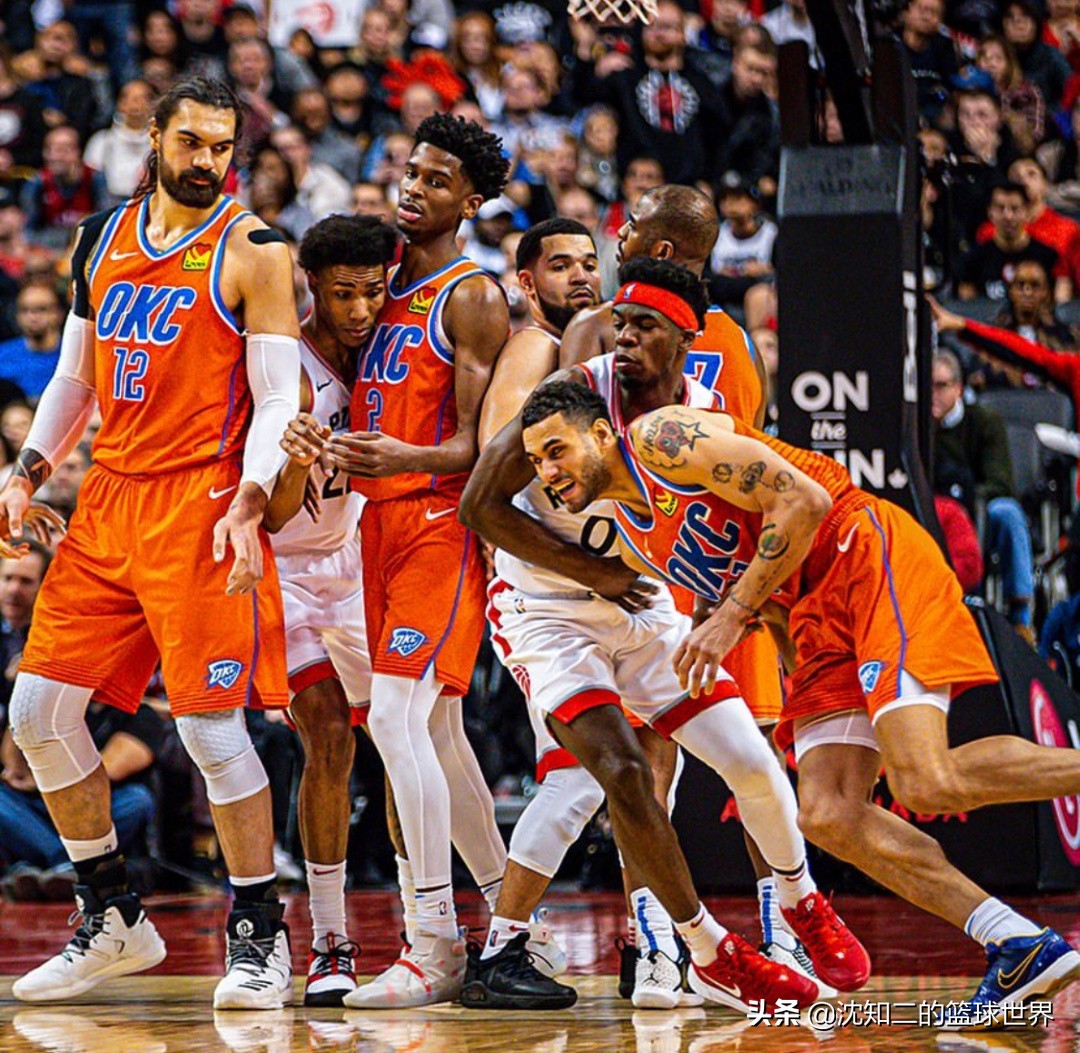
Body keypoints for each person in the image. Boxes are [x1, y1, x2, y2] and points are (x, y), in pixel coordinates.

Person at [519, 267, 1080, 1025]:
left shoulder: (662, 435)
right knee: (826, 811)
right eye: (536, 464)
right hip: (807, 618)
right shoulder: (630, 528)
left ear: (596, 432)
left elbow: (805, 500)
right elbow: (757, 586)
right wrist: (787, 661)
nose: (548, 476)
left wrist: (727, 618)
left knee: (928, 778)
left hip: (860, 550)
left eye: (555, 452)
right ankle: (1018, 945)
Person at [462, 241, 861, 1013]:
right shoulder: (571, 396)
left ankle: (801, 899)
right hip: (545, 611)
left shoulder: (697, 420)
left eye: (645, 327)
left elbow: (743, 522)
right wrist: (596, 573)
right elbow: (480, 506)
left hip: (647, 608)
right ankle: (708, 950)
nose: (625, 339)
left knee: (749, 760)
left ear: (686, 340)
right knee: (618, 772)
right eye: (621, 324)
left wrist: (723, 607)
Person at [0, 77, 301, 1010]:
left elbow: (280, 396)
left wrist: (250, 501)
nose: (208, 160)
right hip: (109, 500)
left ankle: (257, 930)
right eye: (193, 142)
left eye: (223, 146)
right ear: (154, 139)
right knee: (37, 716)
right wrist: (27, 469)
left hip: (201, 503)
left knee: (211, 729)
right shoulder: (101, 237)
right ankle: (114, 915)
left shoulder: (252, 250)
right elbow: (75, 375)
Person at [557, 186, 797, 981]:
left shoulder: (603, 330)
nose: (616, 231)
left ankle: (655, 948)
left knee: (668, 761)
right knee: (747, 760)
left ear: (660, 252)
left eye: (630, 225)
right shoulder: (734, 340)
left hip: (666, 566)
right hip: (704, 565)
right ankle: (771, 931)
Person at [325, 113, 511, 1009]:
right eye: (411, 169)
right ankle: (523, 923)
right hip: (374, 528)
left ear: (469, 202)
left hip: (438, 522)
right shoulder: (386, 282)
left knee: (398, 723)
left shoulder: (471, 297)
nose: (413, 186)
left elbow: (479, 443)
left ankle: (434, 940)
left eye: (436, 180)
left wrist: (404, 459)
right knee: (437, 736)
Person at [259, 213, 399, 1005]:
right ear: (312, 286)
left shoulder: (393, 348)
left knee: (409, 738)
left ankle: (433, 927)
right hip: (290, 570)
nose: (357, 308)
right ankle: (331, 935)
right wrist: (293, 460)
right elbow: (276, 515)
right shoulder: (288, 367)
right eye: (342, 293)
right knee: (327, 737)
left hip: (362, 561)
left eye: (371, 291)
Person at [930, 349, 1036, 634]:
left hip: (977, 511)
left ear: (959, 388)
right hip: (935, 515)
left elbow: (1001, 482)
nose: (933, 395)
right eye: (927, 387)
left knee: (1008, 512)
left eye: (941, 386)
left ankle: (1020, 616)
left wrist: (964, 498)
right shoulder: (915, 426)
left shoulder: (984, 420)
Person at [956, 180, 1061, 302]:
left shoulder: (1048, 257)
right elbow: (967, 307)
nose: (1008, 216)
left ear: (1026, 211)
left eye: (1015, 208)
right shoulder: (973, 259)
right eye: (1000, 208)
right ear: (990, 212)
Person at [0, 282, 65, 402]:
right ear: (17, 316)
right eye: (25, 310)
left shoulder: (74, 355)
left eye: (42, 309)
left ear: (58, 314)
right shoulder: (2, 357)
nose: (33, 317)